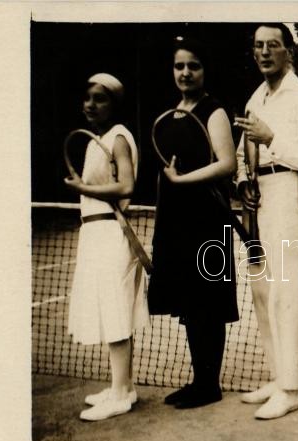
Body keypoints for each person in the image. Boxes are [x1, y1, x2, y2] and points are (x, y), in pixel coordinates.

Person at [233, 24, 298, 419]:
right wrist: (242, 182)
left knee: (287, 294)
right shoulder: (256, 98)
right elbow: (242, 154)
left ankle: (291, 388)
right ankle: (277, 376)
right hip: (260, 200)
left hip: (289, 192)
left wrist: (270, 138)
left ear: (289, 52)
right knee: (262, 293)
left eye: (273, 45)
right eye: (259, 46)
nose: (265, 52)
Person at [148, 37, 239, 409]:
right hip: (177, 218)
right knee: (189, 301)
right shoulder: (171, 114)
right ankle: (199, 380)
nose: (185, 73)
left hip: (207, 218)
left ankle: (209, 385)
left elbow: (227, 164)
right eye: (179, 66)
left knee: (207, 302)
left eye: (194, 66)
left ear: (205, 70)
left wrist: (183, 181)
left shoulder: (214, 111)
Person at [65, 73, 149, 421]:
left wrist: (82, 188)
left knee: (116, 314)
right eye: (87, 98)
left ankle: (119, 395)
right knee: (109, 311)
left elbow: (126, 186)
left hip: (111, 234)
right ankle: (123, 387)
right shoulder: (95, 141)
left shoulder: (118, 138)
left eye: (99, 99)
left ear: (114, 104)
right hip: (94, 235)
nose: (90, 104)